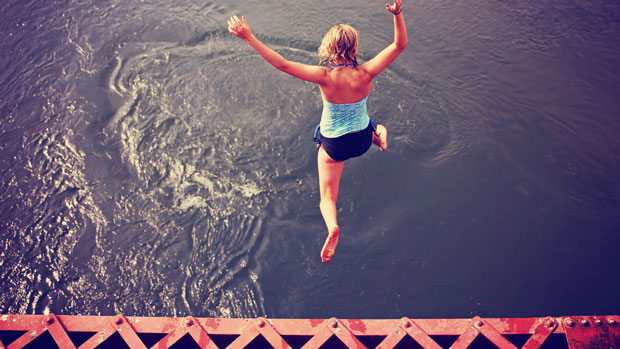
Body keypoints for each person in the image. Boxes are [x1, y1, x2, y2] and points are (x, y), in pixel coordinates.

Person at [227, 0, 407, 263]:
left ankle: (332, 226)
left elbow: (283, 65)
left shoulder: (324, 76)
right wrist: (398, 14)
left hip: (335, 145)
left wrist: (249, 37)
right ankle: (380, 140)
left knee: (327, 196)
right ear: (354, 47)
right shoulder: (367, 73)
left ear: (329, 48)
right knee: (373, 126)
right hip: (361, 140)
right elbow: (399, 45)